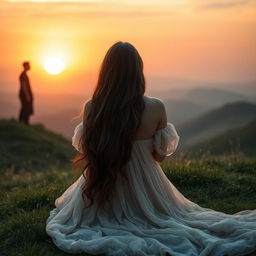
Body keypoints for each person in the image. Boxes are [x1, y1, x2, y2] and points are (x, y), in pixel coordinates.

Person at [46, 42, 256, 256]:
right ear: (138, 71)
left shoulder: (92, 108)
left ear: (106, 71)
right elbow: (159, 157)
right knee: (180, 220)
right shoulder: (156, 107)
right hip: (147, 186)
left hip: (102, 187)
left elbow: (88, 151)